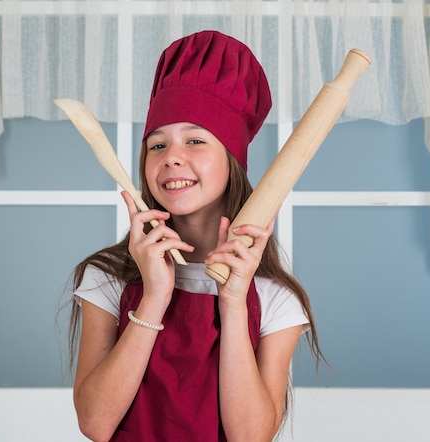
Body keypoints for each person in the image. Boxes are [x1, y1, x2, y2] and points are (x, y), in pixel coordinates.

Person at [68, 30, 323, 442]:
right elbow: (95, 424)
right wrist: (154, 296)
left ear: (232, 162)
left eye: (195, 140)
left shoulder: (275, 298)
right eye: (156, 145)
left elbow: (250, 437)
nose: (172, 156)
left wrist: (234, 303)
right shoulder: (107, 278)